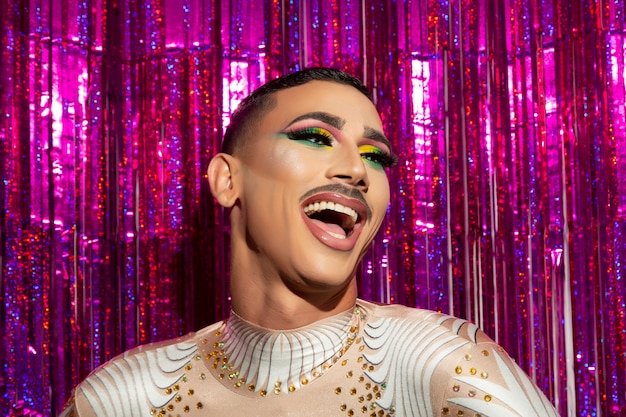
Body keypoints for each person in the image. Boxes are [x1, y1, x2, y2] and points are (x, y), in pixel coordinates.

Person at [61, 68, 559, 417]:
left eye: (375, 155)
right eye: (316, 137)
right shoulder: (122, 398)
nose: (356, 169)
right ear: (227, 180)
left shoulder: (438, 362)